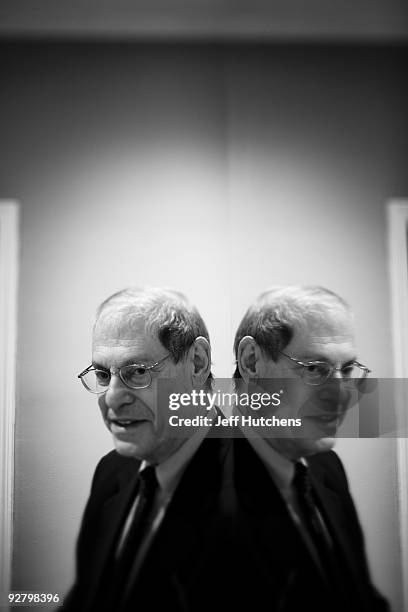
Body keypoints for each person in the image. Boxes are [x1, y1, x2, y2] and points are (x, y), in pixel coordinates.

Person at [62, 287, 229, 612]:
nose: (111, 397)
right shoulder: (112, 470)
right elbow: (90, 594)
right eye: (102, 374)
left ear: (197, 363)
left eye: (137, 371)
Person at [231, 285, 389, 612]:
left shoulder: (326, 467)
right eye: (315, 368)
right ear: (252, 362)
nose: (342, 395)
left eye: (347, 370)